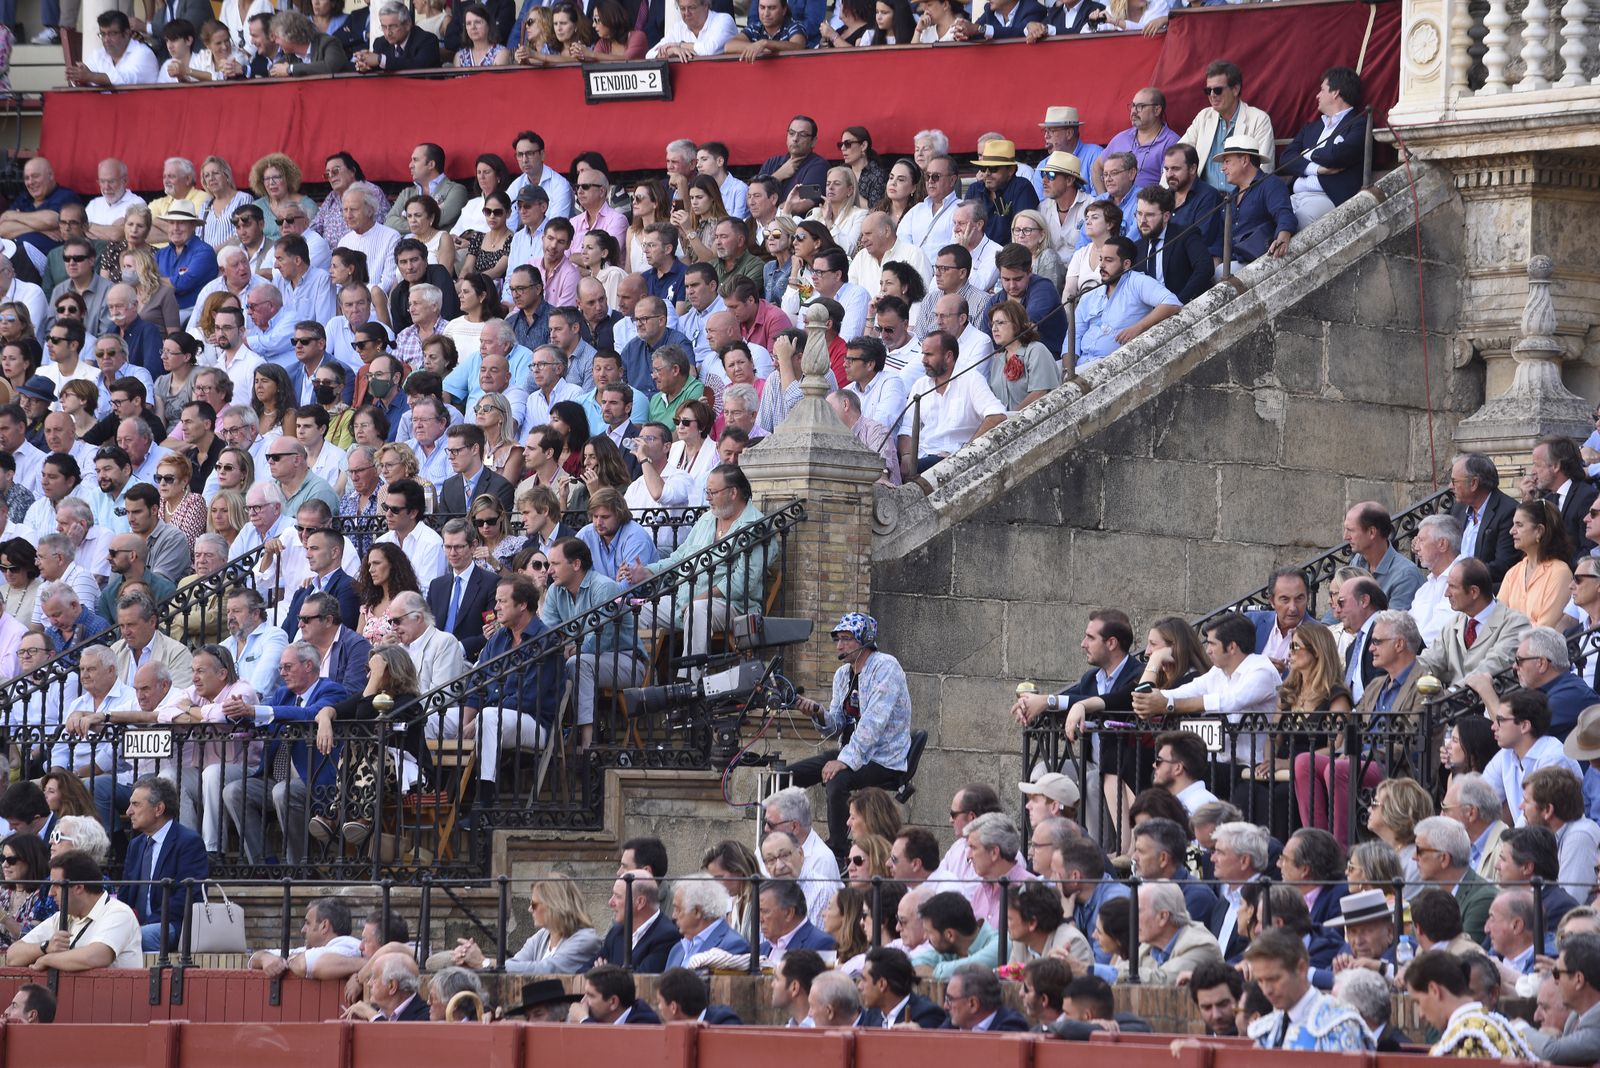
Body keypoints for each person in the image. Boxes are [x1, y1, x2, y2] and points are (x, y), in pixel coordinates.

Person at [785, 613, 912, 859]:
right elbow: (836, 726)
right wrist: (817, 712)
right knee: (784, 778)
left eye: (846, 639)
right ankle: (787, 842)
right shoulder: (843, 675)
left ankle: (838, 852)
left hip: (883, 758)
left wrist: (844, 761)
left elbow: (873, 723)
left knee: (837, 781)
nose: (839, 646)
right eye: (837, 640)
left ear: (865, 640)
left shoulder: (886, 667)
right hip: (852, 753)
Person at [4, 850, 143, 970]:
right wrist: (45, 947)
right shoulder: (61, 916)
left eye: (57, 886)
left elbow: (97, 956)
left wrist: (47, 959)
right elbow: (12, 956)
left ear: (78, 888)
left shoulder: (118, 913)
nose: (51, 893)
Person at [1242, 928, 1373, 1050]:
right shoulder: (1268, 1029)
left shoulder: (1339, 1026)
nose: (1266, 990)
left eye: (1274, 979)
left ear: (1301, 969)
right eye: (1260, 981)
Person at [118, 775, 208, 952]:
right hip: (138, 925)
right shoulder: (136, 845)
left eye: (136, 804)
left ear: (158, 809)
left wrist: (141, 925)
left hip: (173, 925)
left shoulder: (188, 842)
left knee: (132, 940)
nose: (128, 811)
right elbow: (125, 894)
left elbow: (186, 897)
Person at [1416, 557, 1533, 685]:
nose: (1446, 593)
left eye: (1452, 587)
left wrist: (1451, 695)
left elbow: (1492, 667)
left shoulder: (1515, 624)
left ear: (1474, 592)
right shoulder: (1453, 625)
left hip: (1491, 702)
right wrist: (1401, 672)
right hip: (1450, 701)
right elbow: (1428, 661)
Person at [1279, 67, 1369, 228]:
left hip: (1326, 197)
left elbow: (1336, 155)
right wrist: (1317, 169)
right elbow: (1286, 158)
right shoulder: (1311, 128)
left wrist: (1306, 153)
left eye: (1322, 89)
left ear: (1335, 93)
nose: (1317, 95)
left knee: (1297, 221)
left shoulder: (1360, 123)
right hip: (1294, 195)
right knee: (1263, 217)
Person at [1073, 236, 1181, 365]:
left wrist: (1139, 327)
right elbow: (1074, 334)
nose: (1101, 265)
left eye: (1109, 260)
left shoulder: (1137, 282)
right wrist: (1068, 369)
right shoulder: (1090, 295)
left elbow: (1172, 303)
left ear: (1126, 264)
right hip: (1079, 362)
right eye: (1101, 259)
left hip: (1108, 365)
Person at [1408, 948, 1535, 1057]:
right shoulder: (1502, 1026)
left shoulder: (1456, 1043)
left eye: (1418, 1001)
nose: (1421, 1014)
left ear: (1434, 990)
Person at [1180, 61, 1277, 194]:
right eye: (1208, 90)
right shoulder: (1203, 117)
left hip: (1242, 199)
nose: (1212, 95)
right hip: (1204, 201)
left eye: (1218, 90)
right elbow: (1179, 154)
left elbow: (1265, 168)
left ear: (1235, 89)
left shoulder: (1259, 119)